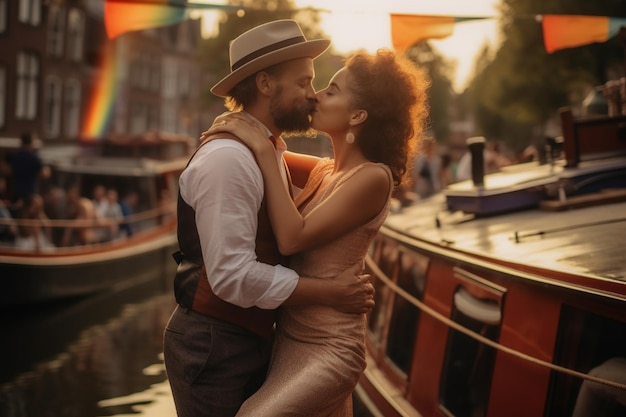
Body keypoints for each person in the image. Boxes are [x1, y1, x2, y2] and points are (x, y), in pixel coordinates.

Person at [162, 20, 375, 417]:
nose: (312, 95)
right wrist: (326, 292)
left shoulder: (267, 148)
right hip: (213, 344)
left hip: (248, 339)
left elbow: (343, 172)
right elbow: (232, 277)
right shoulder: (229, 159)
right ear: (265, 84)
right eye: (304, 82)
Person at [203, 48, 429, 416]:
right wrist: (244, 126)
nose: (316, 95)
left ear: (357, 115)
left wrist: (260, 145)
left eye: (332, 90)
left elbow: (293, 237)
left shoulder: (373, 177)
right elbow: (265, 141)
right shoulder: (326, 171)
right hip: (290, 338)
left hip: (330, 346)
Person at [6, 132, 45, 206]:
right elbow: (43, 173)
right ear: (31, 142)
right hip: (30, 192)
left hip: (16, 191)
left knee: (16, 215)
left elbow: (8, 171)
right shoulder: (34, 158)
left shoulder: (14, 156)